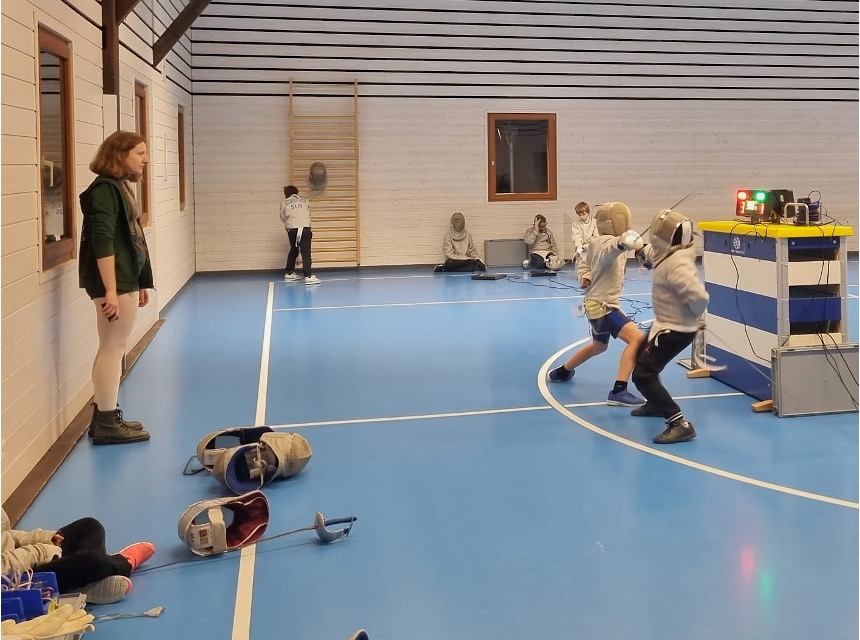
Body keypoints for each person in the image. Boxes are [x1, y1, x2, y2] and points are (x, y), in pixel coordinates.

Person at [79, 131, 153, 445]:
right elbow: (103, 240)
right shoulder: (105, 190)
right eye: (140, 153)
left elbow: (134, 237)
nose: (145, 159)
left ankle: (103, 416)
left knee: (110, 346)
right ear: (120, 155)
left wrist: (141, 280)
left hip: (125, 278)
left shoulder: (120, 187)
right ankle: (107, 421)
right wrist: (111, 290)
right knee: (113, 348)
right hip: (115, 281)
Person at [547, 202, 646, 407]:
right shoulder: (608, 243)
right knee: (637, 340)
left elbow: (584, 261)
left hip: (595, 305)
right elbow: (611, 249)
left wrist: (586, 276)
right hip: (603, 306)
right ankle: (619, 391)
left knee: (598, 347)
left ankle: (562, 372)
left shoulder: (594, 242)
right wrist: (622, 243)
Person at [631, 209, 709, 444]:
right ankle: (656, 403)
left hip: (675, 330)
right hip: (665, 324)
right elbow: (651, 253)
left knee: (643, 375)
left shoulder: (678, 264)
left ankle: (679, 423)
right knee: (640, 356)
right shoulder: (668, 251)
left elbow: (699, 297)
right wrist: (638, 249)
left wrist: (695, 312)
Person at [1, 509, 155, 605]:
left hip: (24, 557)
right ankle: (122, 564)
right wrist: (42, 551)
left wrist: (46, 537)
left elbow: (6, 534)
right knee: (92, 560)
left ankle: (77, 583)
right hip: (14, 581)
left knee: (90, 526)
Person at [280, 185, 320, 285]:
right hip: (304, 229)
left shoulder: (284, 202)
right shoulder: (305, 201)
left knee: (294, 250)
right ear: (296, 192)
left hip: (292, 229)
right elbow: (308, 213)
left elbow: (282, 217)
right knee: (306, 252)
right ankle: (308, 276)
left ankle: (289, 273)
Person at [571, 202, 598, 266]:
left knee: (592, 266)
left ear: (588, 212)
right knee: (580, 266)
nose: (582, 217)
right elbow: (576, 237)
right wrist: (579, 247)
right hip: (581, 249)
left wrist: (589, 245)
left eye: (584, 214)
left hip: (592, 249)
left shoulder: (595, 222)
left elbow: (596, 236)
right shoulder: (575, 224)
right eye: (580, 215)